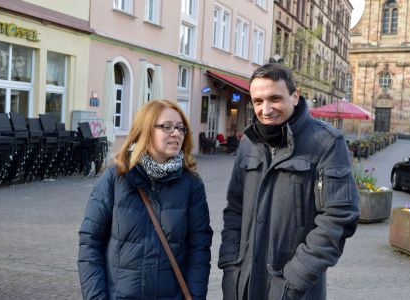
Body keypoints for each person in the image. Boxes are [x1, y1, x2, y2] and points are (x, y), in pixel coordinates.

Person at [218, 63, 360, 300]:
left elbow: (337, 218)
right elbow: (234, 210)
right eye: (258, 101)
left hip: (294, 290)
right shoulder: (248, 143)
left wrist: (294, 279)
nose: (266, 109)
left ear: (295, 96)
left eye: (275, 98)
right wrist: (231, 266)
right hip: (243, 284)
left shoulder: (326, 143)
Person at [78, 99, 213, 299]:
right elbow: (90, 243)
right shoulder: (116, 177)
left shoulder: (191, 184)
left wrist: (195, 296)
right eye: (166, 127)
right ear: (145, 130)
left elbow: (199, 250)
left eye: (180, 128)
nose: (176, 133)